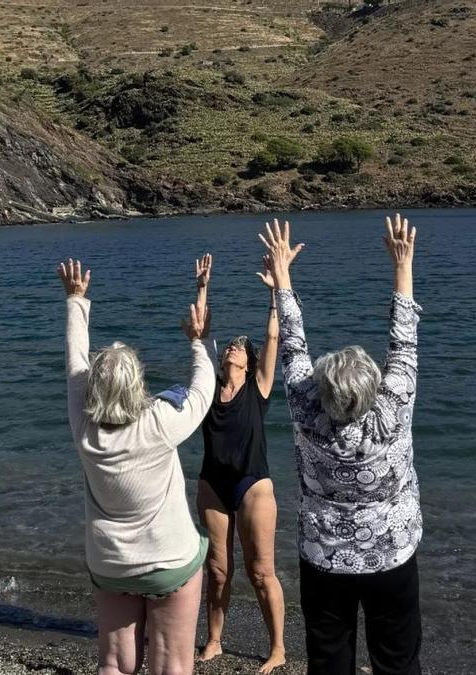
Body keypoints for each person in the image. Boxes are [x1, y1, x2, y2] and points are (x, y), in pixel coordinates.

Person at [269, 216, 423, 674]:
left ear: (321, 389)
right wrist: (402, 266)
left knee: (329, 658)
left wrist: (282, 278)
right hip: (392, 553)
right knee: (397, 660)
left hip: (323, 557)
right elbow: (404, 342)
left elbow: (294, 346)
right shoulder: (392, 409)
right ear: (374, 387)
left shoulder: (305, 409)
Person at [59, 258, 215, 675]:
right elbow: (203, 390)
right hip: (169, 561)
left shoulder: (84, 427)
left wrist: (76, 300)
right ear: (138, 384)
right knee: (172, 664)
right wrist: (198, 341)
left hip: (110, 562)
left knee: (114, 662)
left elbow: (75, 362)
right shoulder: (159, 422)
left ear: (94, 387)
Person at [192, 247, 287, 673]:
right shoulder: (208, 388)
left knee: (261, 571)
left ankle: (279, 649)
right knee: (217, 570)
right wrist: (203, 287)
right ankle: (214, 640)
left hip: (253, 485)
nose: (232, 348)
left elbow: (272, 338)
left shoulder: (259, 387)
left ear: (248, 365)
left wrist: (275, 292)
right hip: (213, 483)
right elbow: (200, 335)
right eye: (229, 346)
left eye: (238, 348)